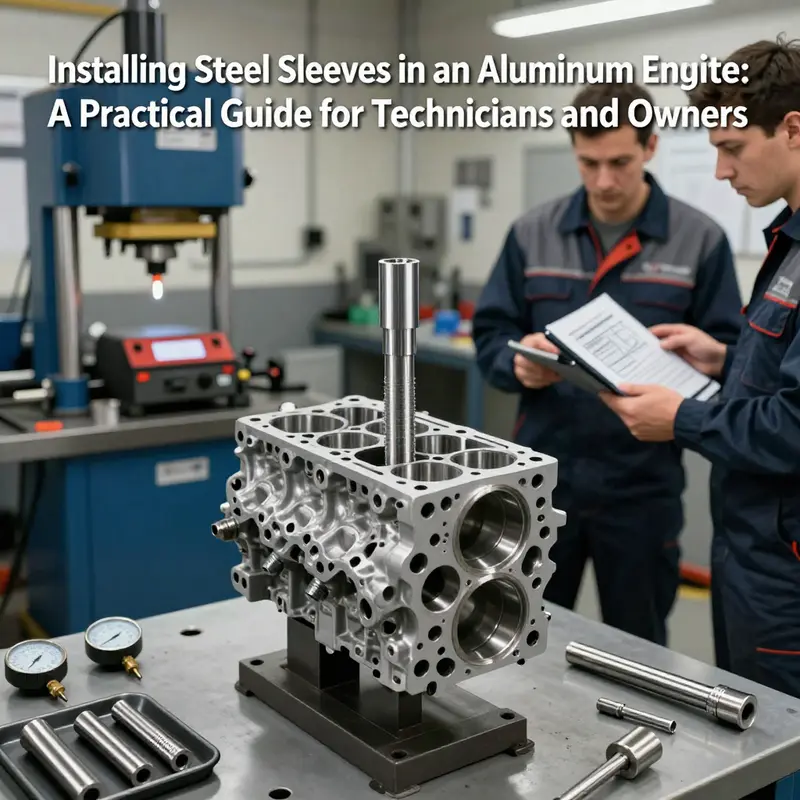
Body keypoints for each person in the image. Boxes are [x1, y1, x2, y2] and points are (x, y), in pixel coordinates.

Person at [471, 81, 743, 646]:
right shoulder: (532, 232)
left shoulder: (700, 241)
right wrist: (516, 365)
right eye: (588, 163)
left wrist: (707, 362)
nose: (604, 181)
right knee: (521, 636)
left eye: (619, 162)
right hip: (544, 478)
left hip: (642, 484)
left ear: (650, 147)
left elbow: (730, 357)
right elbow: (491, 334)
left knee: (639, 643)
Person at [601, 37, 800, 700]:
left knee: (778, 742)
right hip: (750, 553)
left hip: (784, 572)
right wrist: (727, 358)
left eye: (733, 148)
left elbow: (793, 426)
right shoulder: (788, 240)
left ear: (793, 130)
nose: (720, 170)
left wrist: (681, 418)